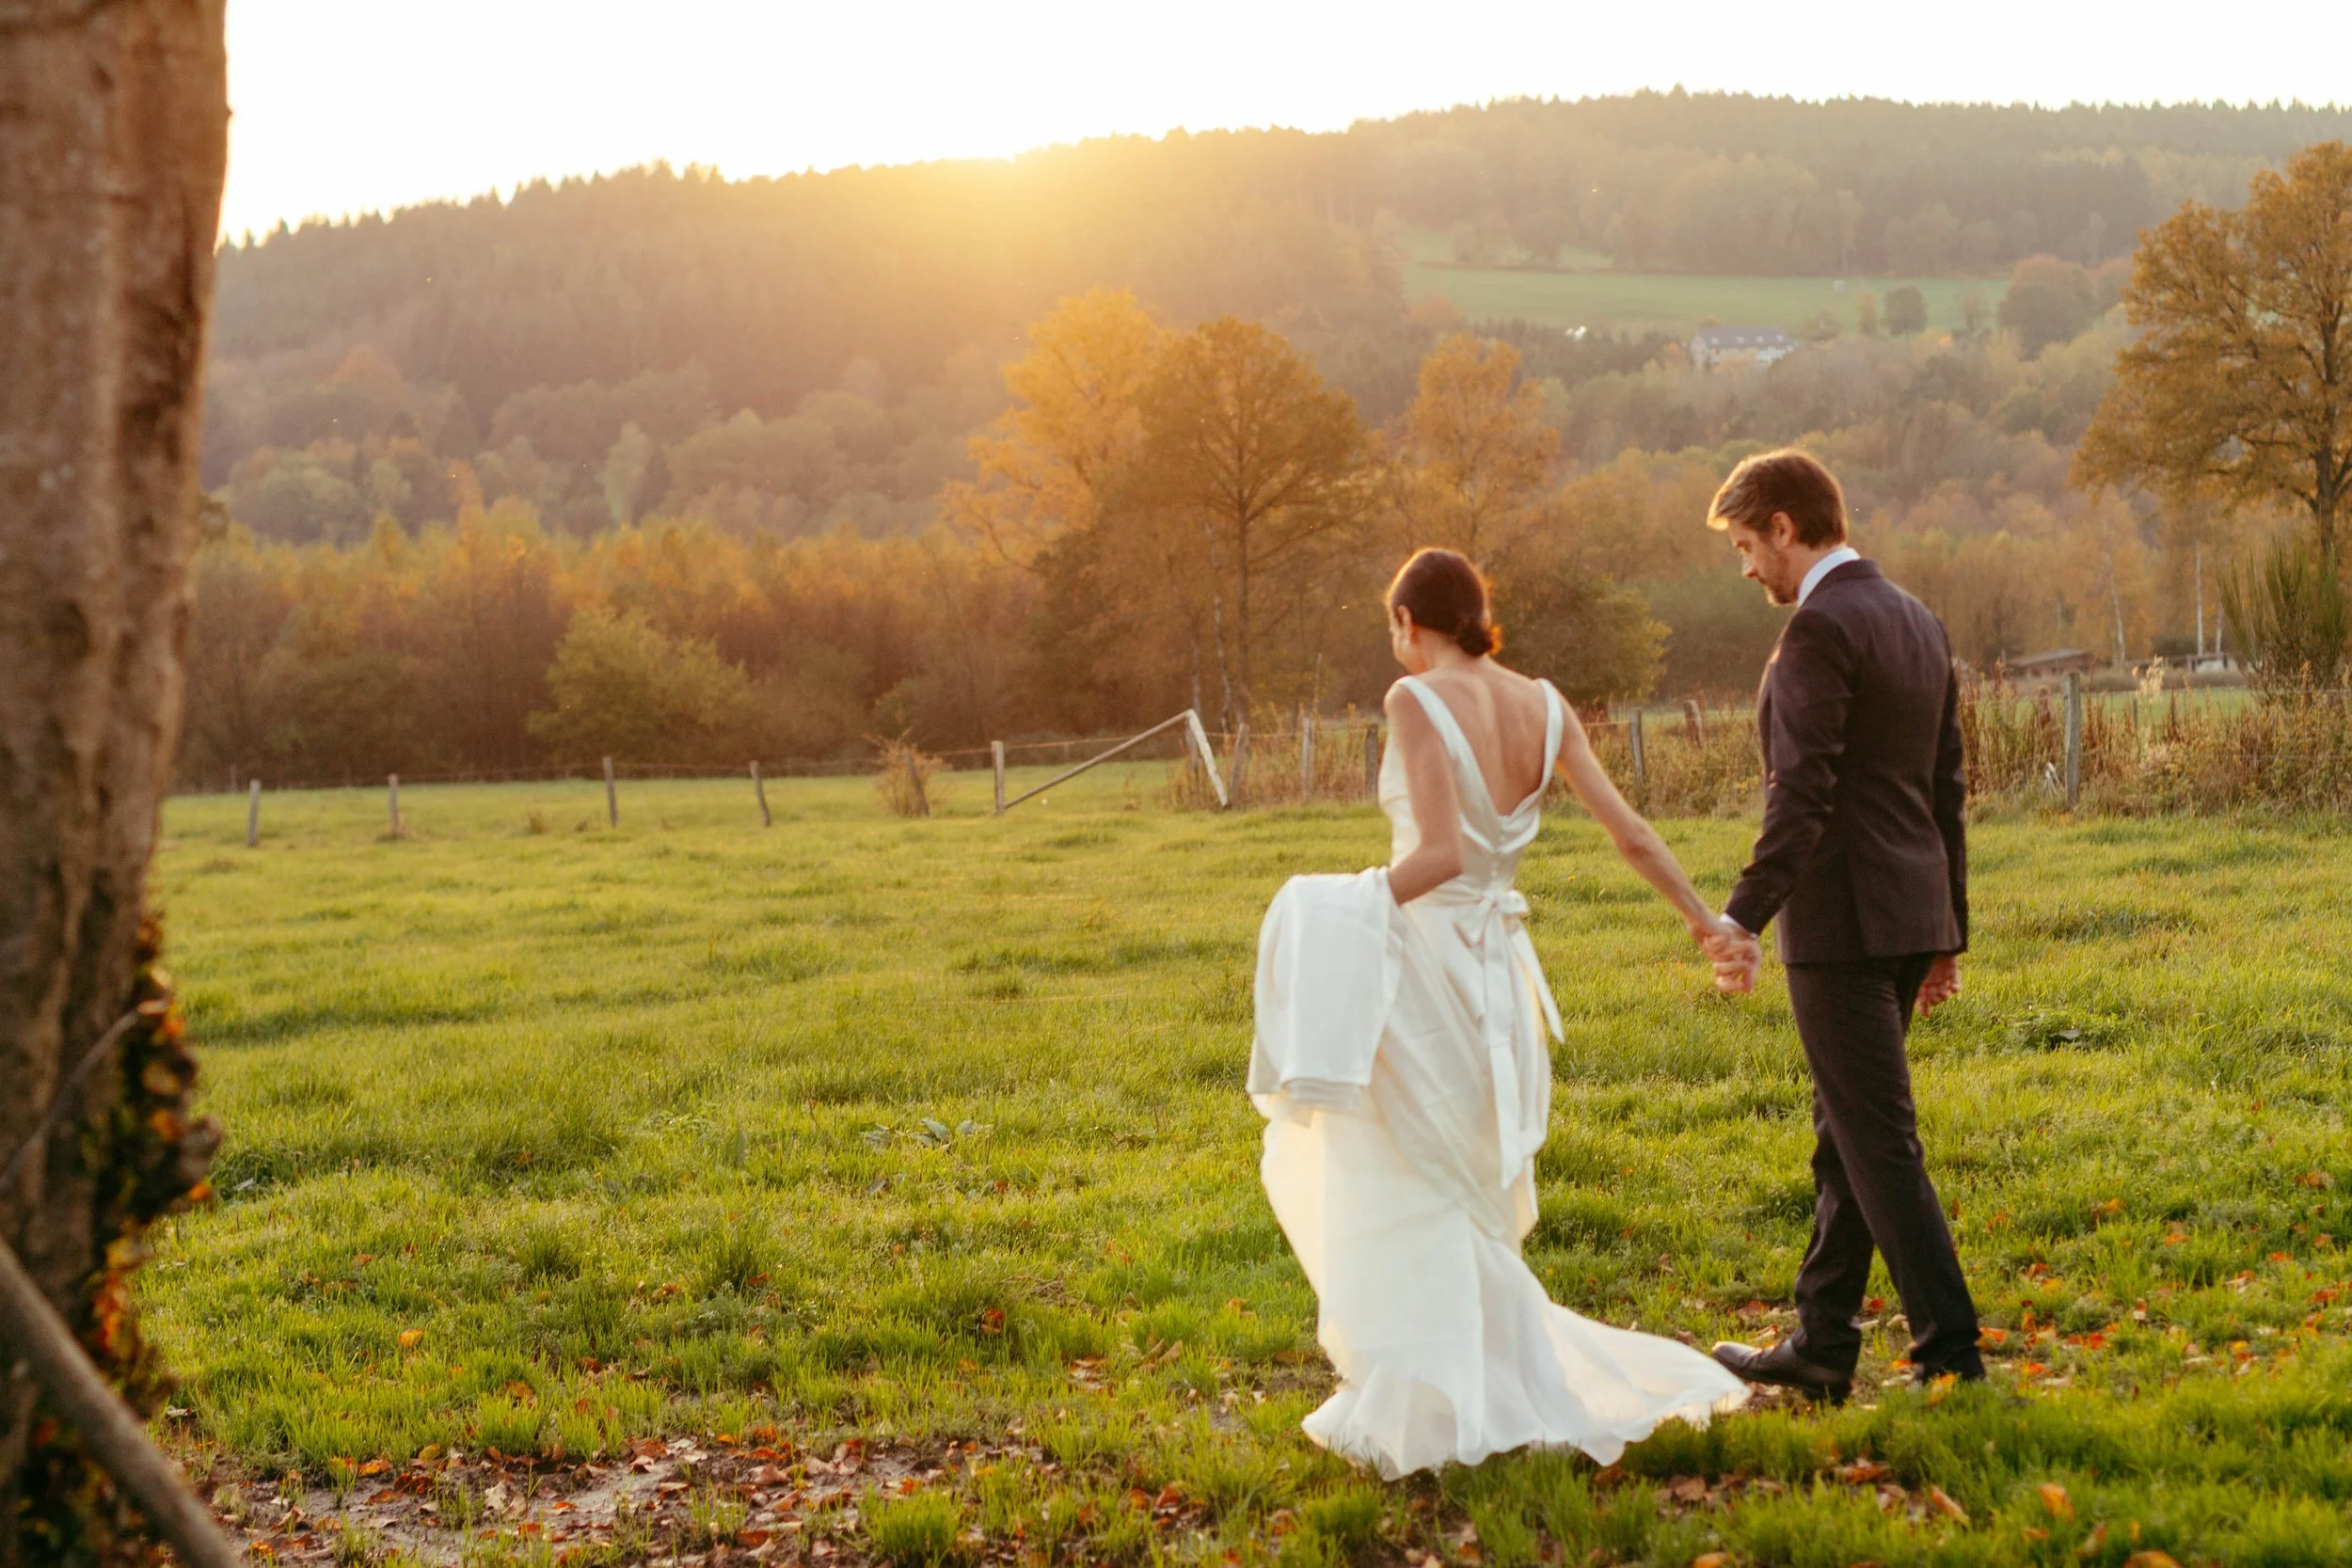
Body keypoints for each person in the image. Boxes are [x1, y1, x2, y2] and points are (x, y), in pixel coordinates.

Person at [1250, 547, 1747, 1480]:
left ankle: (1451, 1391)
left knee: (1418, 1168)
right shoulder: (1544, 703)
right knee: (1464, 1172)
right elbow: (1630, 831)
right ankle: (1472, 1376)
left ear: (1408, 621)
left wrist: (1332, 903)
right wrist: (1704, 921)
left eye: (1392, 626)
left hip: (1427, 962)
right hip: (1502, 971)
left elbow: (1438, 854)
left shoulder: (1412, 698)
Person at [1701, 450, 1983, 1402]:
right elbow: (1944, 790)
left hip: (1843, 925)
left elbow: (1803, 793)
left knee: (1878, 1142)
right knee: (1847, 1136)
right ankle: (1821, 1343)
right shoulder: (1916, 618)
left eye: (1747, 546)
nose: (1747, 568)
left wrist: (1741, 914)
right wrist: (1945, 928)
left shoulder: (1818, 630)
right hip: (1906, 915)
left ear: (1784, 526)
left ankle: (1952, 1354)